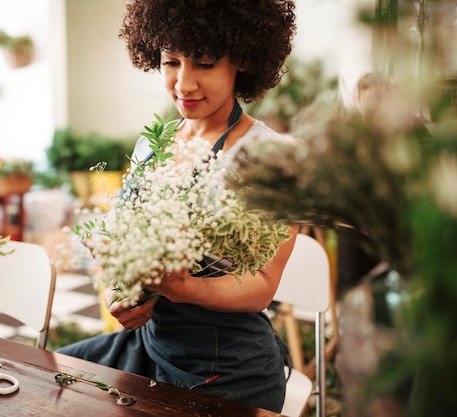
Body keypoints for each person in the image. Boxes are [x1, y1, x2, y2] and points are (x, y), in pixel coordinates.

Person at [58, 0, 298, 412]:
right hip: (147, 346)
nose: (183, 85)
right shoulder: (151, 147)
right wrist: (126, 294)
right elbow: (126, 245)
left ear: (241, 59)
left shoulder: (273, 159)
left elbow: (262, 285)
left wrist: (188, 288)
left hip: (229, 370)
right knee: (50, 386)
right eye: (171, 61)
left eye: (204, 63)